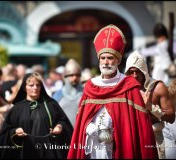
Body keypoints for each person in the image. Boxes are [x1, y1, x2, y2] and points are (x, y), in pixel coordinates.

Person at [67, 24, 158, 159]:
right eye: (103, 58)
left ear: (118, 60)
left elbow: (139, 124)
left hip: (120, 145)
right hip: (94, 146)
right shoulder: (90, 87)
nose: (106, 62)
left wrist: (116, 131)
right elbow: (81, 120)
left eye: (110, 58)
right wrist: (89, 127)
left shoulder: (129, 86)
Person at [0, 72, 73, 159]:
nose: (35, 88)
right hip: (25, 151)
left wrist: (59, 127)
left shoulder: (51, 104)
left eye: (38, 85)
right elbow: (5, 132)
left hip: (48, 151)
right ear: (24, 87)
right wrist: (15, 131)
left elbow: (63, 121)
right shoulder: (17, 108)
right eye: (31, 85)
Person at [125, 50, 176, 159]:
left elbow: (171, 117)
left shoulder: (157, 87)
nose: (134, 75)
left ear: (145, 71)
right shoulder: (124, 89)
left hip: (153, 140)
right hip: (131, 139)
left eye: (138, 71)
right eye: (131, 72)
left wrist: (151, 108)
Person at [53, 59, 83, 127]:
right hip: (64, 134)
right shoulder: (58, 95)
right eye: (71, 75)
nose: (75, 78)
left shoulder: (85, 94)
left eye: (77, 75)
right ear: (65, 76)